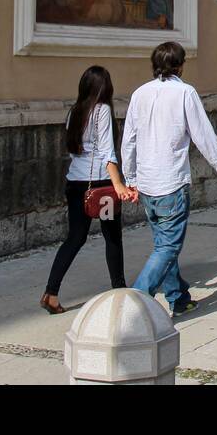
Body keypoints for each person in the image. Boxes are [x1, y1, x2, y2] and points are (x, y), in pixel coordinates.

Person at [122, 42, 217, 315]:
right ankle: (137, 300)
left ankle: (178, 297)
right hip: (171, 183)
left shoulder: (140, 94)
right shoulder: (185, 92)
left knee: (164, 245)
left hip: (147, 184)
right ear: (180, 65)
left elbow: (129, 139)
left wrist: (131, 178)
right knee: (167, 248)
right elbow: (203, 136)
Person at [42, 66, 130, 314]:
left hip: (76, 183)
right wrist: (118, 184)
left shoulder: (75, 111)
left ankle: (51, 292)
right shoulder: (101, 110)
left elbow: (75, 150)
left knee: (75, 237)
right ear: (106, 88)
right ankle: (119, 289)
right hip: (100, 185)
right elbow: (106, 152)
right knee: (112, 236)